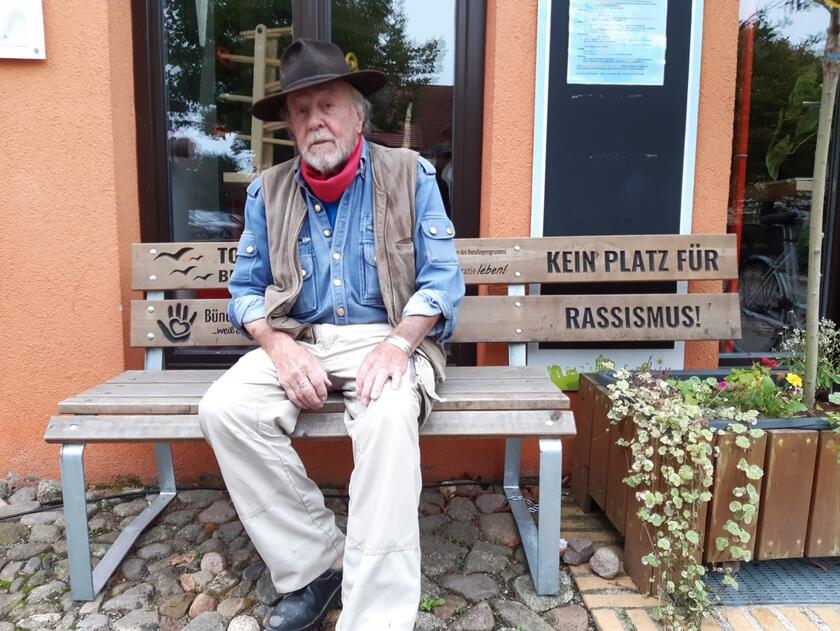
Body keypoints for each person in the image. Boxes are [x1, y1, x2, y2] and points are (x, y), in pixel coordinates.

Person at [198, 39, 465, 631]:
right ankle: (317, 564)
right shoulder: (267, 191)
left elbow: (443, 282)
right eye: (301, 111)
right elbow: (245, 291)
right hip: (302, 338)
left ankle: (375, 617)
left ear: (357, 115)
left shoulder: (411, 174)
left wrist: (398, 344)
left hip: (392, 336)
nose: (315, 121)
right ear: (291, 127)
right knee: (225, 409)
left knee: (387, 417)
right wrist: (278, 345)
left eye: (327, 106)